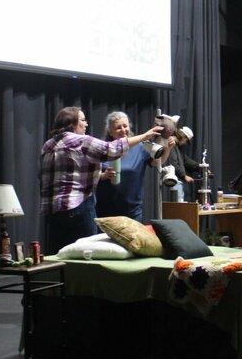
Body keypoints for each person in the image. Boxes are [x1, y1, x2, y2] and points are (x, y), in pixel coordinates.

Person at [39, 106, 163, 254]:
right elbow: (113, 149)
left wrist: (101, 176)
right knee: (87, 254)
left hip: (52, 212)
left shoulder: (48, 145)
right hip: (77, 208)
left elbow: (65, 175)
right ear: (72, 123)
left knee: (59, 256)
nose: (86, 124)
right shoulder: (81, 141)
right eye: (83, 120)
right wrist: (145, 136)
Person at [95, 111, 172, 222]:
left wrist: (167, 149)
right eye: (118, 127)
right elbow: (91, 176)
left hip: (132, 210)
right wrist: (103, 175)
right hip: (106, 209)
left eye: (125, 126)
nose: (123, 130)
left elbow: (157, 162)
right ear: (110, 132)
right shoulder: (102, 149)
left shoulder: (140, 147)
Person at [166, 126, 200, 202]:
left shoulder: (178, 148)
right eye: (186, 141)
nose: (185, 143)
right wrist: (184, 176)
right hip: (172, 181)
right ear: (183, 137)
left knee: (179, 205)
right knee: (177, 207)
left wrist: (200, 167)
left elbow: (186, 160)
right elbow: (173, 164)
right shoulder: (172, 144)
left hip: (176, 181)